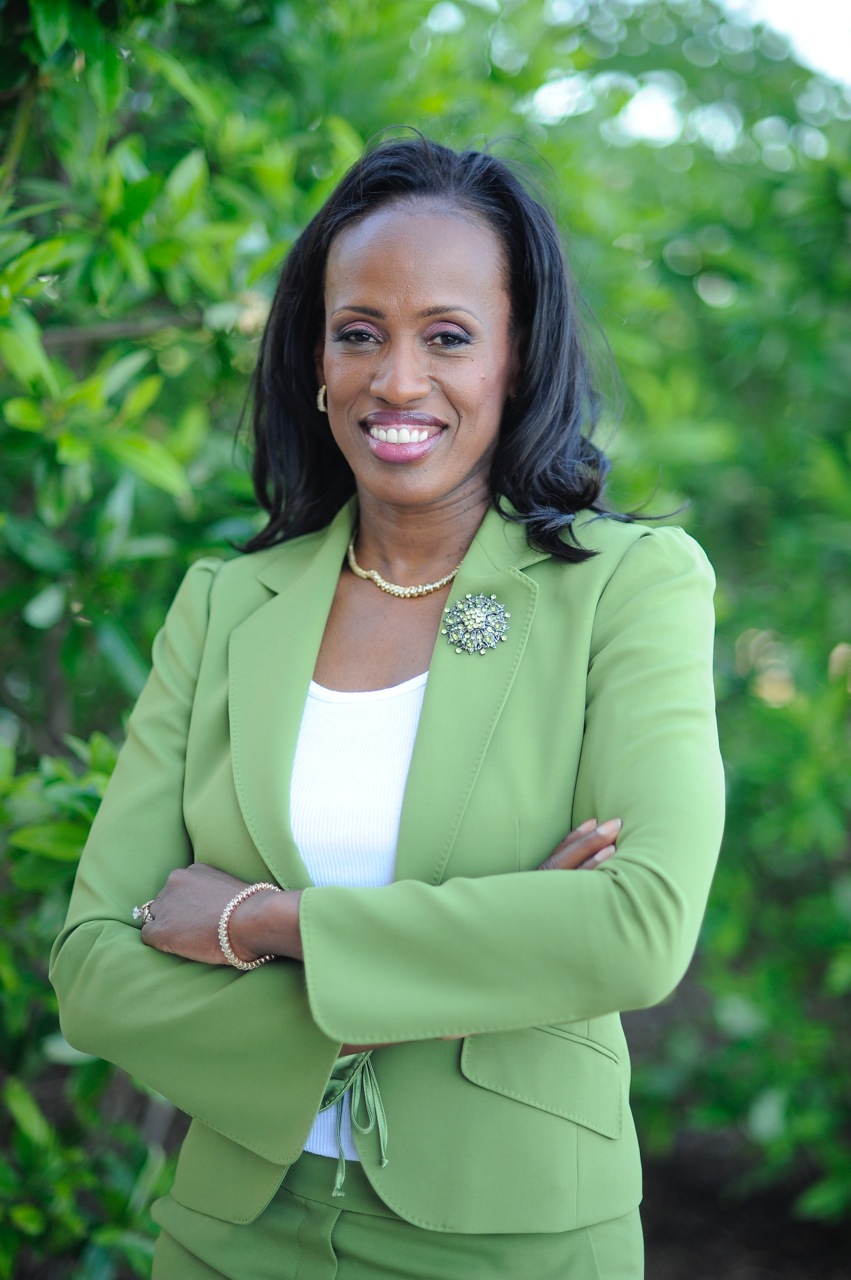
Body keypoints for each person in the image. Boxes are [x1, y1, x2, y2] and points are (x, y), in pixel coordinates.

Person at [50, 135, 725, 1279]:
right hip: (226, 1233)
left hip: (512, 1236)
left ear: (516, 358)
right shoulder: (226, 603)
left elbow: (635, 926)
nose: (396, 380)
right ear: (315, 359)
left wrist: (263, 923)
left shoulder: (627, 586)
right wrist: (461, 960)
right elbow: (95, 964)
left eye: (447, 337)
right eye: (358, 331)